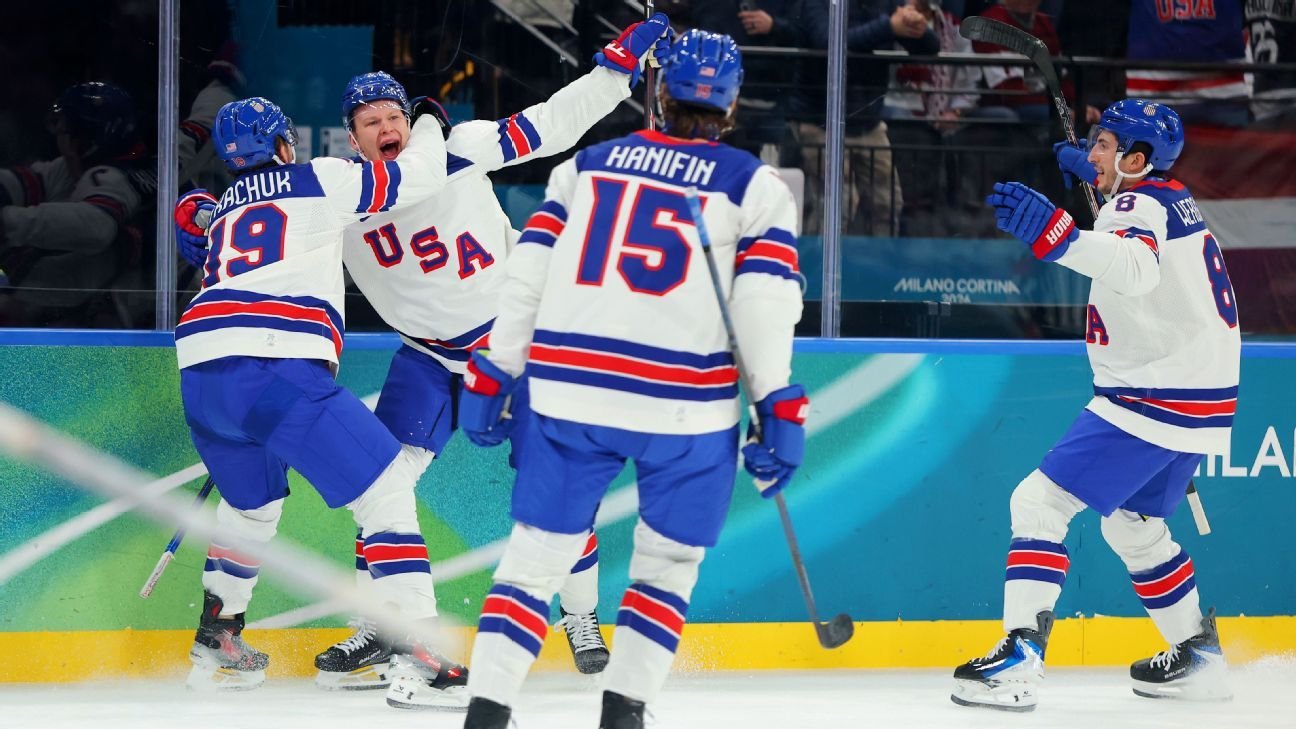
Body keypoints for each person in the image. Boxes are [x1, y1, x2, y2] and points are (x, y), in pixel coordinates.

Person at [174, 14, 674, 704]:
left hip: (515, 346)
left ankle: (581, 613)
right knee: (386, 480)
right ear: (350, 138)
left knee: (553, 481)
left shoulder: (459, 144)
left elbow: (553, 123)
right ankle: (383, 629)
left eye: (394, 114)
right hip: (428, 357)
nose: (385, 125)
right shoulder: (345, 191)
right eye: (369, 120)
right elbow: (281, 221)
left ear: (407, 121)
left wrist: (613, 71)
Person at [455, 30, 808, 729]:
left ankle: (487, 715)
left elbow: (528, 273)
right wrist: (779, 404)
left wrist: (496, 367)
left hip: (568, 389)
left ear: (658, 91)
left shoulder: (586, 166)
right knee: (666, 567)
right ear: (732, 103)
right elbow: (766, 305)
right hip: (686, 405)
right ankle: (624, 712)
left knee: (533, 564)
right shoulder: (754, 184)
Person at [951, 99, 1240, 711]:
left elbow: (1132, 268)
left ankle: (1021, 656)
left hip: (1154, 393)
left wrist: (1059, 236)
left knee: (1037, 502)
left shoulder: (1134, 204)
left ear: (1136, 160)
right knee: (1133, 524)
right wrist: (1093, 169)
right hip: (1203, 395)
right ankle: (1197, 653)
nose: (1091, 152)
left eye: (1103, 145)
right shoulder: (1166, 197)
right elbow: (1140, 245)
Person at [175, 96, 458, 698]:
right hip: (273, 365)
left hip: (201, 377)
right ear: (283, 144)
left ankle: (218, 639)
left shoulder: (220, 210)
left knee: (251, 511)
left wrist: (189, 211)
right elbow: (421, 176)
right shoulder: (321, 177)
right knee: (385, 491)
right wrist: (429, 125)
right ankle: (419, 655)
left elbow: (193, 217)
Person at [0, 82, 153, 326]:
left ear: (86, 140)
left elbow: (96, 228)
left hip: (136, 322)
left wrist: (7, 223)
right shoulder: (73, 167)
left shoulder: (115, 178)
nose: (59, 137)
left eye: (65, 130)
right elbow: (20, 183)